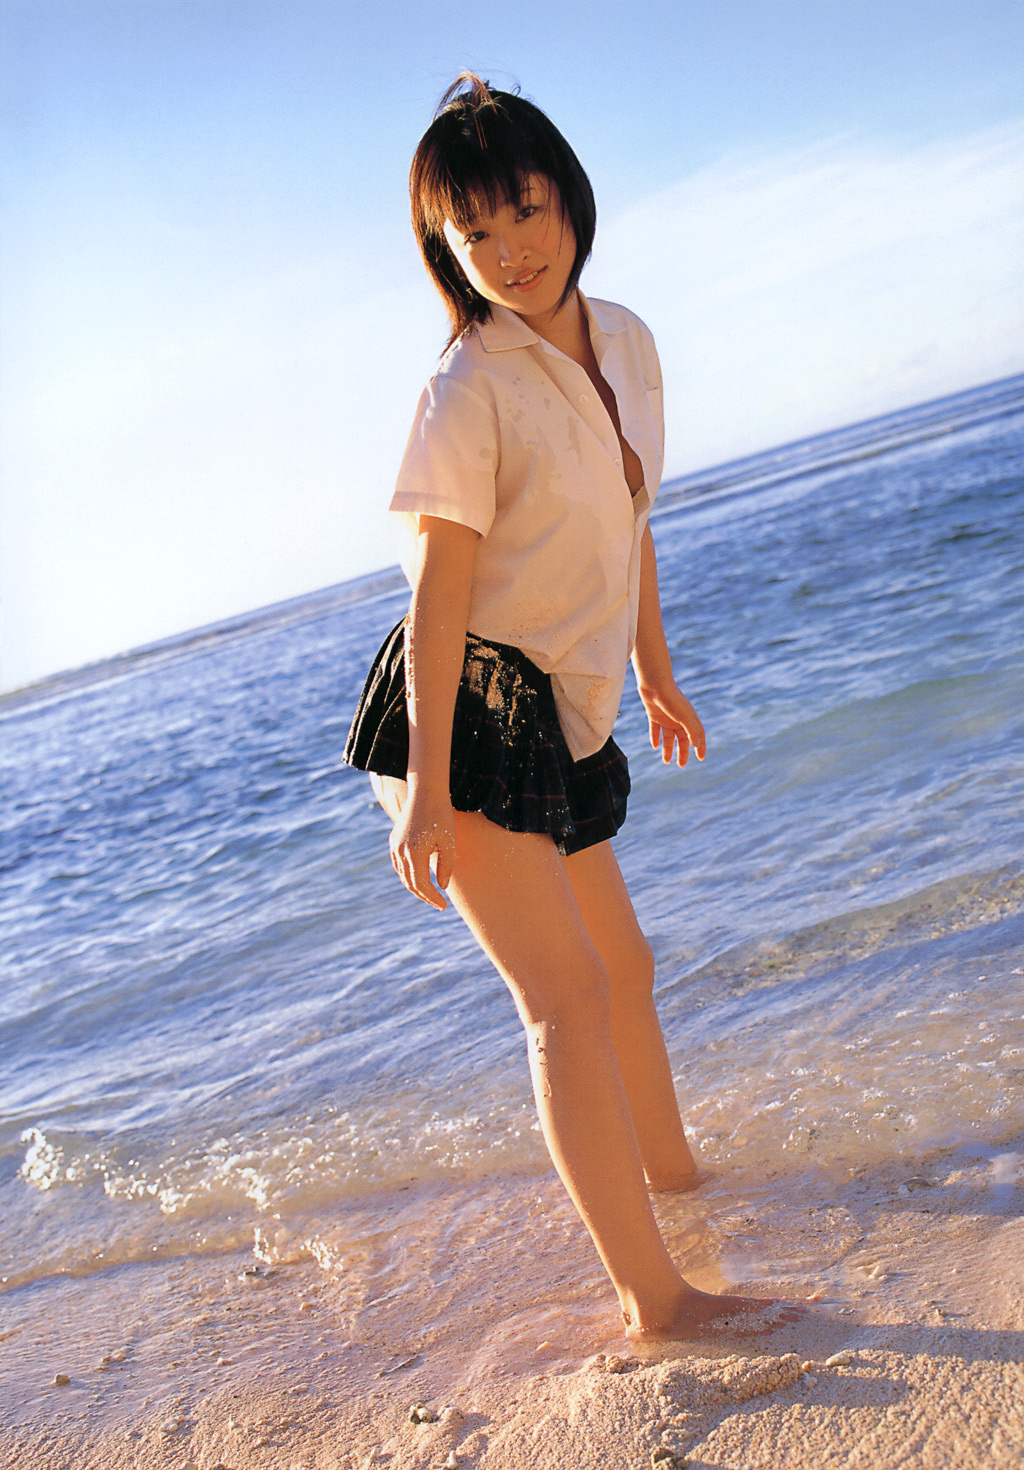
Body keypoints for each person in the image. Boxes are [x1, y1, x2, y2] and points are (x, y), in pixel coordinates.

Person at [345, 74, 798, 1341]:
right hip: (466, 706)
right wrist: (427, 790)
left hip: (559, 701)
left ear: (568, 200)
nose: (509, 251)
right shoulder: (467, 385)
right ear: (444, 249)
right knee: (565, 999)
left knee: (625, 969)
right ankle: (656, 1301)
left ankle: (683, 1188)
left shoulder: (628, 341)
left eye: (526, 210)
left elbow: (626, 517)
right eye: (474, 232)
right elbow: (438, 592)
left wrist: (653, 665)